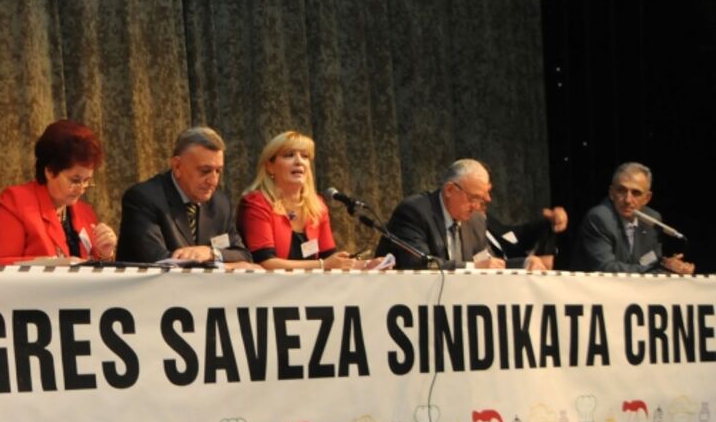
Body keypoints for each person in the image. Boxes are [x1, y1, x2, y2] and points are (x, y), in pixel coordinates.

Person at [116, 126, 256, 268]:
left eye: (218, 171)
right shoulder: (144, 198)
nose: (213, 181)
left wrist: (211, 253)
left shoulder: (220, 204)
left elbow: (243, 255)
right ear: (177, 166)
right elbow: (159, 262)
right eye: (205, 171)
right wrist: (221, 265)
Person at [236, 131, 378, 270]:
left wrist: (367, 265)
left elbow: (330, 259)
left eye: (304, 156)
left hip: (309, 284)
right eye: (289, 155)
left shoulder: (317, 206)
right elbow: (265, 263)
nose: (299, 161)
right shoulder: (257, 203)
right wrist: (322, 265)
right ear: (270, 166)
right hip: (268, 284)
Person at [0, 119, 117, 265]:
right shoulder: (15, 203)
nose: (81, 189)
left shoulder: (85, 213)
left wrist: (105, 254)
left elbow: (93, 270)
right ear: (50, 171)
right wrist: (55, 264)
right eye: (75, 180)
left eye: (87, 181)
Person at [375, 158, 547, 271]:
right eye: (474, 198)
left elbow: (488, 263)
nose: (477, 206)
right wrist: (473, 268)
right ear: (450, 190)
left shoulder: (476, 221)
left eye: (482, 200)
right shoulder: (414, 212)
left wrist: (524, 263)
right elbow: (419, 264)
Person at [575, 162, 695, 274]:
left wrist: (671, 266)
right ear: (611, 193)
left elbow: (651, 262)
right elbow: (606, 268)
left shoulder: (652, 220)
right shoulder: (599, 218)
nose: (628, 200)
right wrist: (660, 268)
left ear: (647, 198)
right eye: (621, 191)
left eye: (636, 193)